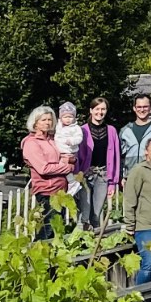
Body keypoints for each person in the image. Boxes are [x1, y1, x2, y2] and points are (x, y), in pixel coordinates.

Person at [121, 136, 151, 284]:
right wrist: (130, 225)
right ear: (147, 151)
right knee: (148, 264)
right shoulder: (139, 171)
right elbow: (130, 198)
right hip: (145, 226)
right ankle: (138, 298)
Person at [22, 106, 73, 237]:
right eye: (43, 120)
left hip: (60, 190)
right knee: (48, 229)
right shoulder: (31, 143)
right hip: (46, 191)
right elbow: (43, 168)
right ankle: (35, 254)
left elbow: (63, 155)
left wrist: (71, 159)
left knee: (57, 227)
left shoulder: (52, 139)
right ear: (35, 122)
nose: (47, 122)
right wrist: (67, 167)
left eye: (50, 119)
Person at [76, 97, 120, 229]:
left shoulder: (111, 130)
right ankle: (79, 239)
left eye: (103, 109)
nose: (100, 112)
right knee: (84, 212)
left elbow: (116, 156)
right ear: (91, 110)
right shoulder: (82, 130)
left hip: (103, 175)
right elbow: (77, 155)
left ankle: (93, 242)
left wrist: (113, 182)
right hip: (86, 175)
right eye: (97, 109)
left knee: (96, 214)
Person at [119, 95, 151, 175]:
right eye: (139, 107)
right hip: (130, 176)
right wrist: (121, 176)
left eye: (145, 107)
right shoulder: (125, 131)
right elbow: (120, 157)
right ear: (134, 108)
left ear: (150, 108)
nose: (142, 110)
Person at [54, 102, 85, 197]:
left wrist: (72, 141)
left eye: (70, 117)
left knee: (65, 168)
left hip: (68, 152)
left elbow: (79, 138)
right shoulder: (58, 127)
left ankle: (72, 183)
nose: (68, 119)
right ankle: (68, 184)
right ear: (60, 118)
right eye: (65, 117)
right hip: (59, 151)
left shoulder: (76, 128)